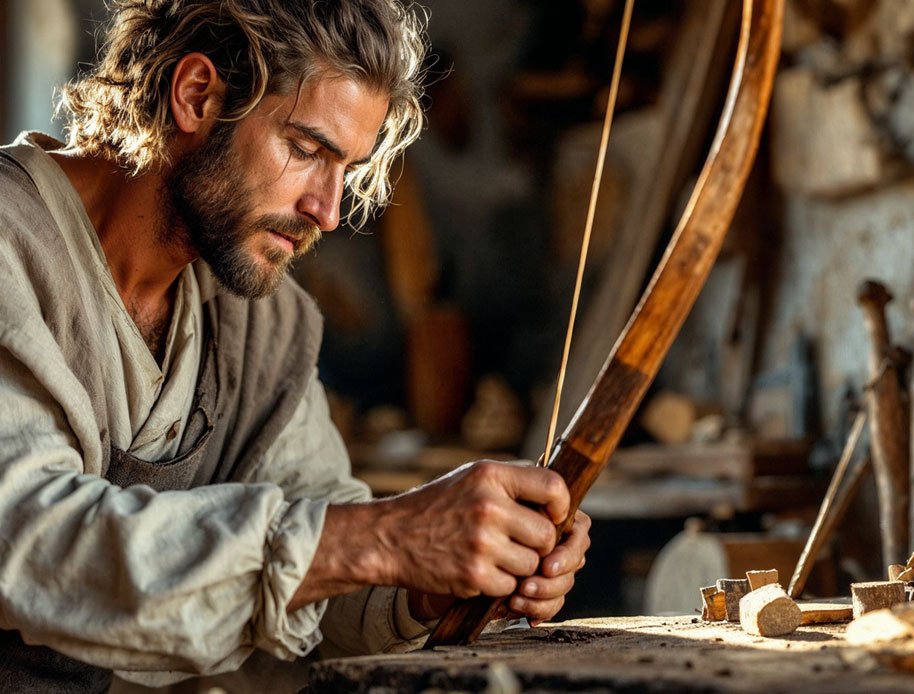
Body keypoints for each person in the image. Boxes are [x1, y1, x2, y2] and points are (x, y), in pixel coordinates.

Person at [0, 0, 590, 689]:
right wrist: (387, 539)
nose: (328, 211)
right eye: (307, 151)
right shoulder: (14, 245)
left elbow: (328, 567)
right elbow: (34, 545)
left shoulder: (266, 325)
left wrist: (438, 575)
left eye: (346, 168)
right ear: (197, 96)